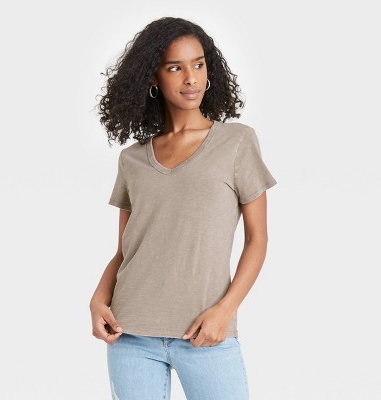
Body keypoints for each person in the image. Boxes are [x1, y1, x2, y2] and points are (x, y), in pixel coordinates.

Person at [90, 16, 277, 400]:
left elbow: (257, 240)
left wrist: (225, 311)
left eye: (198, 64)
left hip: (206, 333)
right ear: (153, 77)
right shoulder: (132, 159)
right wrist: (97, 299)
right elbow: (125, 250)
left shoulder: (237, 143)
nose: (191, 78)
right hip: (130, 334)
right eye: (175, 67)